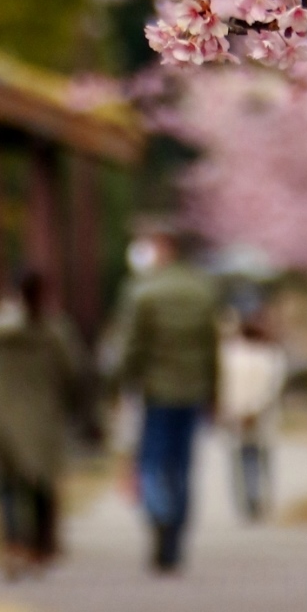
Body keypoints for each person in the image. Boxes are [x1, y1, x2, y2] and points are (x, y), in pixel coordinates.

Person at [121, 230, 219, 572]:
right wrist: (214, 392)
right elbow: (212, 349)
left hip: (156, 392)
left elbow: (133, 347)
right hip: (192, 392)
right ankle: (176, 535)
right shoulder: (201, 292)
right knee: (183, 465)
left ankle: (159, 514)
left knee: (152, 461)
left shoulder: (145, 293)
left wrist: (123, 384)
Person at [0, 269, 84, 576]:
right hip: (42, 414)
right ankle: (41, 545)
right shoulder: (56, 330)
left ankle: (13, 544)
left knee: (7, 484)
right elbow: (70, 371)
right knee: (42, 483)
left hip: (2, 412)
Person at [218, 312, 287, 521]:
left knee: (243, 459)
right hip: (256, 416)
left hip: (239, 416)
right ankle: (259, 499)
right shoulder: (271, 355)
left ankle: (250, 500)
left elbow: (222, 387)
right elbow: (274, 387)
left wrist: (236, 410)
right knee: (260, 459)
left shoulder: (230, 355)